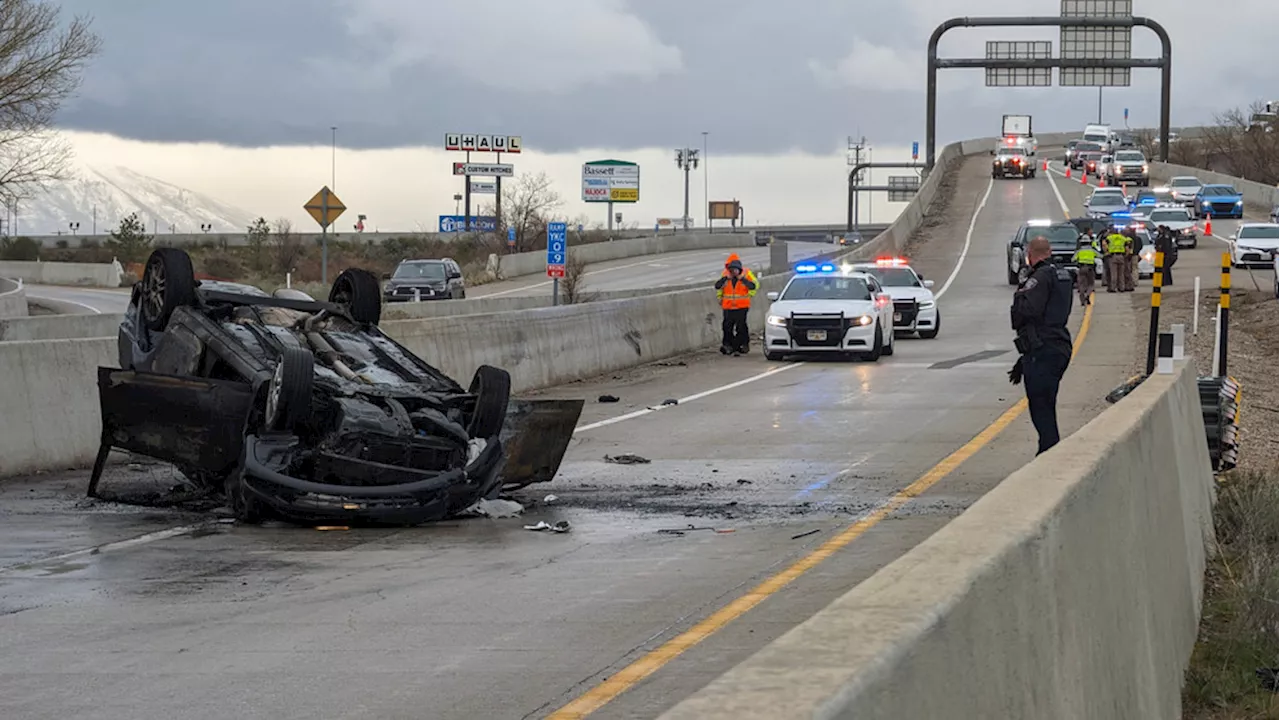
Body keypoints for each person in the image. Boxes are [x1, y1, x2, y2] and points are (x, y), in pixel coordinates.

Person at [1008, 236, 1074, 455]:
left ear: (1030, 253)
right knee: (1046, 400)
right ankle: (1048, 449)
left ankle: (1049, 452)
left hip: (1043, 349)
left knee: (1040, 404)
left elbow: (1028, 310)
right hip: (1056, 345)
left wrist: (1019, 298)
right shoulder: (1062, 274)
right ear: (1050, 250)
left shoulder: (1040, 277)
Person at [714, 254, 757, 355]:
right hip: (728, 306)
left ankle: (741, 345)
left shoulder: (745, 275)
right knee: (727, 327)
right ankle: (728, 345)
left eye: (735, 270)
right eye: (731, 269)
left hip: (741, 306)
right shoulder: (726, 275)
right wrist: (725, 279)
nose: (733, 272)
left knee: (741, 327)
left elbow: (753, 286)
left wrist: (742, 279)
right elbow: (718, 286)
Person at [1071, 236, 1097, 306]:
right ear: (1089, 242)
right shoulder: (1092, 250)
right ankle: (1088, 295)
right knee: (1091, 284)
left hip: (1081, 268)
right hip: (1090, 268)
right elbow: (1100, 256)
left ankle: (1082, 301)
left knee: (1081, 285)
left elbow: (1072, 259)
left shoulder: (1079, 251)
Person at [1104, 227, 1128, 292]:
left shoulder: (1109, 238)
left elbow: (1105, 245)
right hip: (1121, 256)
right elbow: (1127, 248)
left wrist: (1107, 252)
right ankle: (1121, 288)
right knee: (1121, 274)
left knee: (1113, 273)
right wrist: (1125, 255)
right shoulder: (1123, 238)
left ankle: (1113, 288)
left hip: (1113, 256)